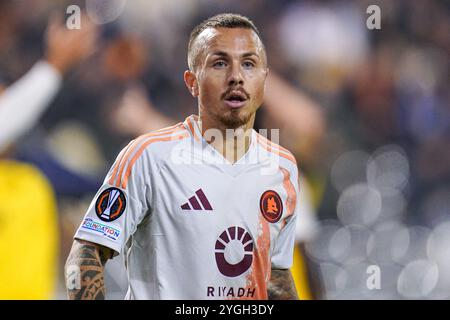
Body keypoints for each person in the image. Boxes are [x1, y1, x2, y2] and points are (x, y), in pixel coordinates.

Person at [65, 13, 300, 300]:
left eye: (249, 64)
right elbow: (87, 253)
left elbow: (275, 275)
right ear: (192, 82)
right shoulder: (148, 156)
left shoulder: (282, 167)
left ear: (264, 79)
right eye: (219, 63)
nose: (236, 76)